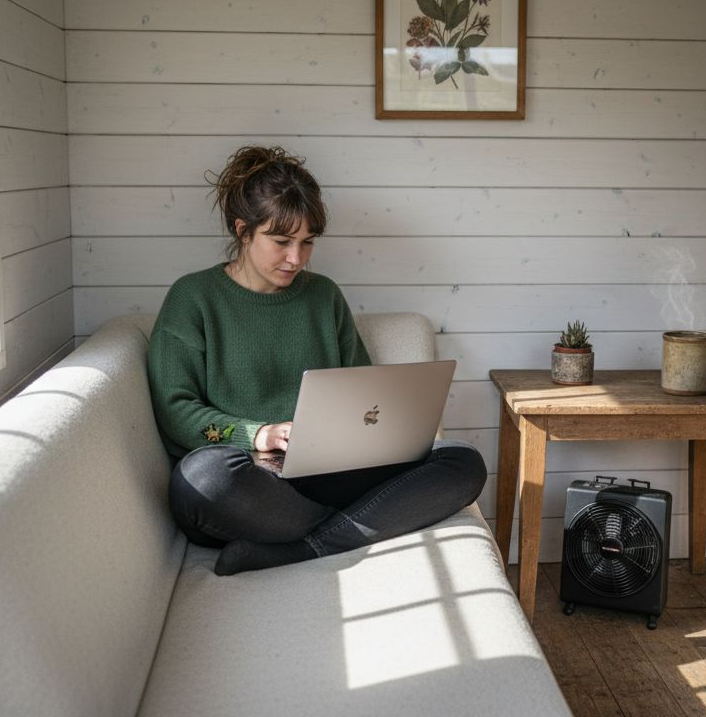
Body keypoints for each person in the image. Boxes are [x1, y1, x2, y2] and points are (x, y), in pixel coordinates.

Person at [147, 145, 487, 576]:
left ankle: (303, 549)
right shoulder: (192, 298)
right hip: (251, 484)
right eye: (281, 241)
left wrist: (385, 432)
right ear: (243, 230)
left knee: (461, 461)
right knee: (204, 479)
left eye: (308, 242)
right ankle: (359, 527)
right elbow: (175, 412)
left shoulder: (323, 295)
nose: (297, 258)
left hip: (329, 474)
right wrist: (259, 434)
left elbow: (365, 396)